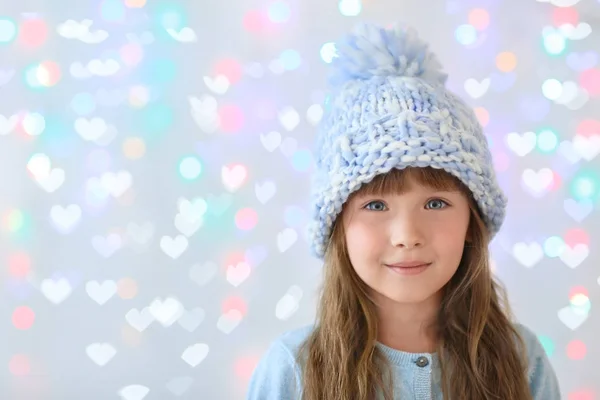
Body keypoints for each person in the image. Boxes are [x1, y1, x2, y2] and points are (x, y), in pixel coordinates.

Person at [246, 22, 561, 400]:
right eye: (375, 204)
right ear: (338, 226)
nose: (407, 235)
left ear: (470, 221)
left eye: (435, 203)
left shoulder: (521, 359)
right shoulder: (294, 370)